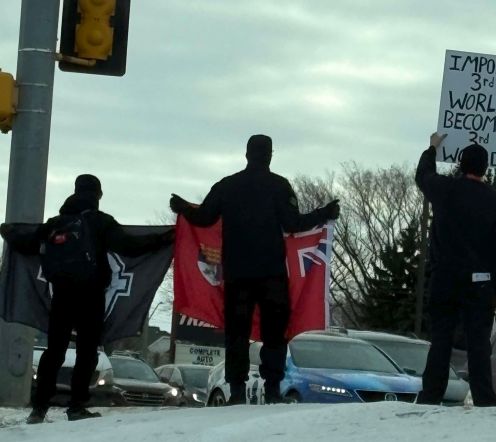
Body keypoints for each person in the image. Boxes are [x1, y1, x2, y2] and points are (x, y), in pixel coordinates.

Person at [169, 134, 339, 405]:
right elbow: (293, 223)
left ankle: (236, 391)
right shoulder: (279, 186)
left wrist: (183, 208)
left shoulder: (228, 185)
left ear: (247, 154)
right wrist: (324, 213)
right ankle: (272, 389)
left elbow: (204, 218)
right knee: (275, 333)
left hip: (237, 274)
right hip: (271, 272)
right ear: (270, 155)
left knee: (236, 333)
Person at [0, 174, 174, 424]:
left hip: (60, 295)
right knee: (87, 351)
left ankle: (39, 408)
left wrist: (8, 230)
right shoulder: (100, 222)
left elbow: (26, 242)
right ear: (98, 196)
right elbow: (129, 246)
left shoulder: (56, 223)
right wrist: (165, 238)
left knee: (54, 351)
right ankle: (76, 406)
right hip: (91, 296)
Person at [415, 132, 496, 406]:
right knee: (479, 342)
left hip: (444, 278)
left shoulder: (446, 190)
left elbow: (423, 176)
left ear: (460, 164)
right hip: (480, 282)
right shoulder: (495, 201)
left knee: (441, 339)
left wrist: (432, 148)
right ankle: (484, 398)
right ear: (485, 169)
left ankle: (431, 394)